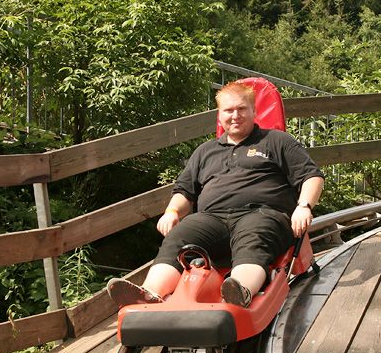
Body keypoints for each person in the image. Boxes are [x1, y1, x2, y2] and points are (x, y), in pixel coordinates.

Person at [107, 81, 324, 308]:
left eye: (242, 109)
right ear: (220, 115)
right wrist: (172, 211)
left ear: (254, 111)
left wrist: (304, 206)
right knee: (179, 236)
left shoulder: (277, 141)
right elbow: (184, 191)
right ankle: (149, 293)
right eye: (229, 110)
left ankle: (240, 290)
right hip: (212, 219)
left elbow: (312, 176)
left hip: (262, 214)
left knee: (253, 237)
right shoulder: (205, 151)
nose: (235, 116)